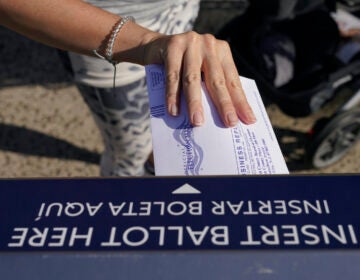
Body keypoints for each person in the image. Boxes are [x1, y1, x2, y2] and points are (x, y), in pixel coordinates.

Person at [0, 0, 256, 176]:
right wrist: (146, 42)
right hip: (99, 35)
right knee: (129, 152)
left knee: (167, 131)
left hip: (180, 14)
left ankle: (156, 163)